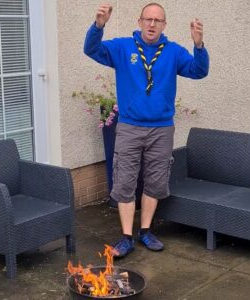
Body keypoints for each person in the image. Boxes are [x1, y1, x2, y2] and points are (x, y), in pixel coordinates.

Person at [84, 2, 209, 258]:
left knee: (155, 180)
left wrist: (199, 46)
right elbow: (91, 49)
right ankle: (126, 237)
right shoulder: (122, 47)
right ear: (140, 21)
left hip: (161, 129)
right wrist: (99, 25)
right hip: (130, 126)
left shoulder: (173, 52)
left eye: (157, 20)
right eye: (148, 19)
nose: (152, 24)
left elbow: (199, 71)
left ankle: (145, 231)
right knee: (125, 182)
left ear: (164, 25)